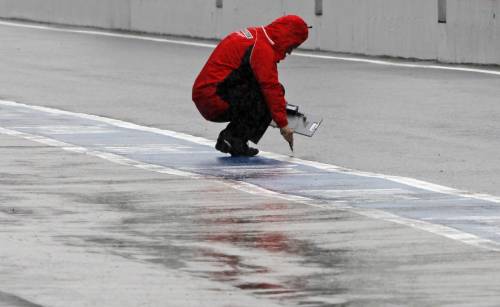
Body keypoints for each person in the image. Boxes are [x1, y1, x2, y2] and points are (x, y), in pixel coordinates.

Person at [192, 15, 309, 156]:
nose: (290, 51)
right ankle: (233, 138)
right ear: (287, 37)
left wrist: (282, 106)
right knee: (267, 96)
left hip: (209, 93)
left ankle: (234, 140)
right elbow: (270, 87)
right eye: (293, 45)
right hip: (214, 99)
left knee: (271, 93)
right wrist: (283, 124)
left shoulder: (256, 36)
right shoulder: (262, 49)